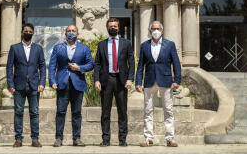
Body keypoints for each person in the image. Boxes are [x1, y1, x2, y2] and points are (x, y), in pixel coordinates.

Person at [135, 21, 181, 147]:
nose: (156, 31)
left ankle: (170, 138)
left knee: (168, 110)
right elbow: (140, 66)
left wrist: (177, 80)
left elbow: (176, 63)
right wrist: (138, 82)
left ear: (162, 30)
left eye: (158, 28)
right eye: (153, 29)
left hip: (166, 81)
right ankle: (148, 138)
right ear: (150, 31)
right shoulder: (144, 46)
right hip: (149, 81)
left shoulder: (170, 45)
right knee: (148, 110)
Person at [48, 24, 94, 147]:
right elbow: (52, 66)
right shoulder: (58, 48)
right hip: (62, 83)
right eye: (69, 31)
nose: (71, 32)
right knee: (60, 112)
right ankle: (58, 138)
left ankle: (77, 138)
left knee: (77, 112)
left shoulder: (84, 48)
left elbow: (91, 64)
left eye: (73, 31)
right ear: (65, 33)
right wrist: (52, 80)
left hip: (78, 83)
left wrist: (79, 67)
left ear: (77, 34)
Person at [94, 18, 135, 147]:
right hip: (106, 80)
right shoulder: (101, 44)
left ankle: (122, 139)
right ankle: (106, 139)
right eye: (111, 26)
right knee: (105, 112)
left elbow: (131, 62)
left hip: (121, 80)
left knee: (122, 111)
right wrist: (96, 80)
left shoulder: (126, 43)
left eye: (115, 26)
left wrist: (130, 78)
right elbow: (97, 64)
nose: (113, 28)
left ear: (119, 28)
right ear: (107, 28)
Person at [6, 23, 46, 147]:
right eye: (26, 31)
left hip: (34, 85)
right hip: (19, 85)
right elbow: (9, 67)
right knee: (18, 112)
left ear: (33, 33)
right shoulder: (14, 48)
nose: (28, 33)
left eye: (30, 31)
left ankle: (35, 139)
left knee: (34, 112)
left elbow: (42, 66)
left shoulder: (38, 48)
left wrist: (42, 82)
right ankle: (18, 139)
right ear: (22, 33)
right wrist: (10, 84)